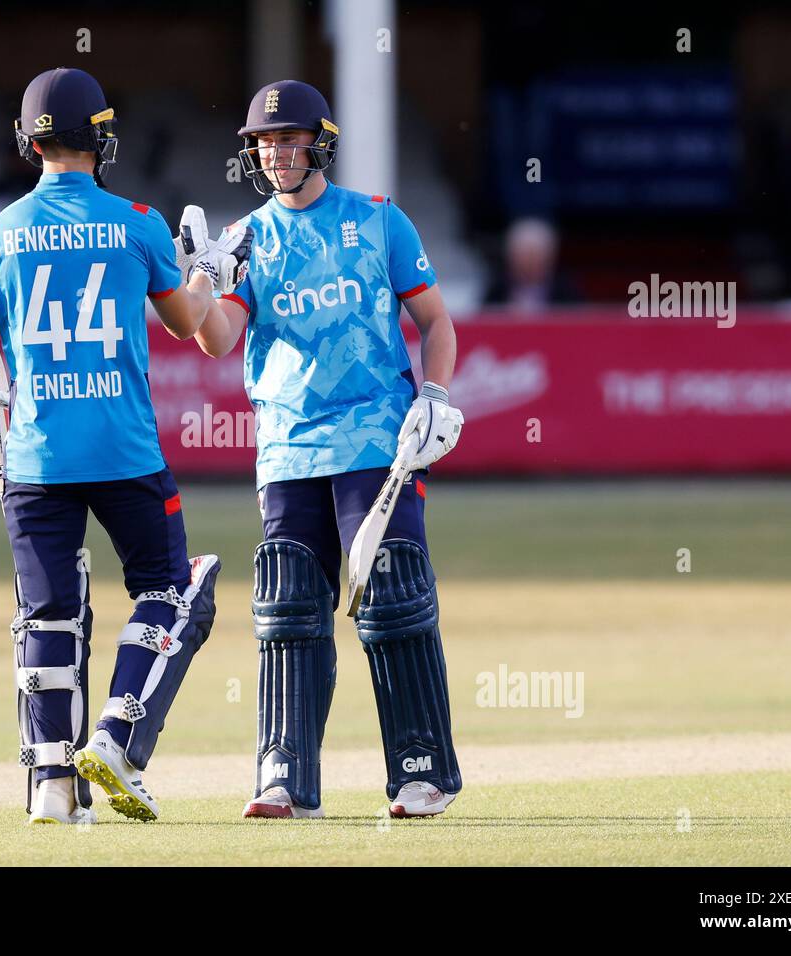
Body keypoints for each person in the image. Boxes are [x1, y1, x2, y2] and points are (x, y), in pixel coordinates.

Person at [0, 67, 251, 825]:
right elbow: (189, 325)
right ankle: (116, 735)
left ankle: (50, 786)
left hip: (37, 454)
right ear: (100, 136)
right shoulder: (138, 222)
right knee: (169, 587)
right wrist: (210, 271)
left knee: (48, 616)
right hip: (124, 448)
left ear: (31, 141)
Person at [178, 81, 465, 818]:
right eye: (263, 143)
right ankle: (285, 778)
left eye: (287, 139)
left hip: (377, 440)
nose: (274, 153)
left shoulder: (377, 222)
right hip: (288, 450)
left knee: (394, 599)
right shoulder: (247, 238)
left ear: (320, 143)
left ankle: (418, 770)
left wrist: (434, 395)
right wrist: (201, 278)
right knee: (288, 610)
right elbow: (214, 338)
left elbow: (434, 321)